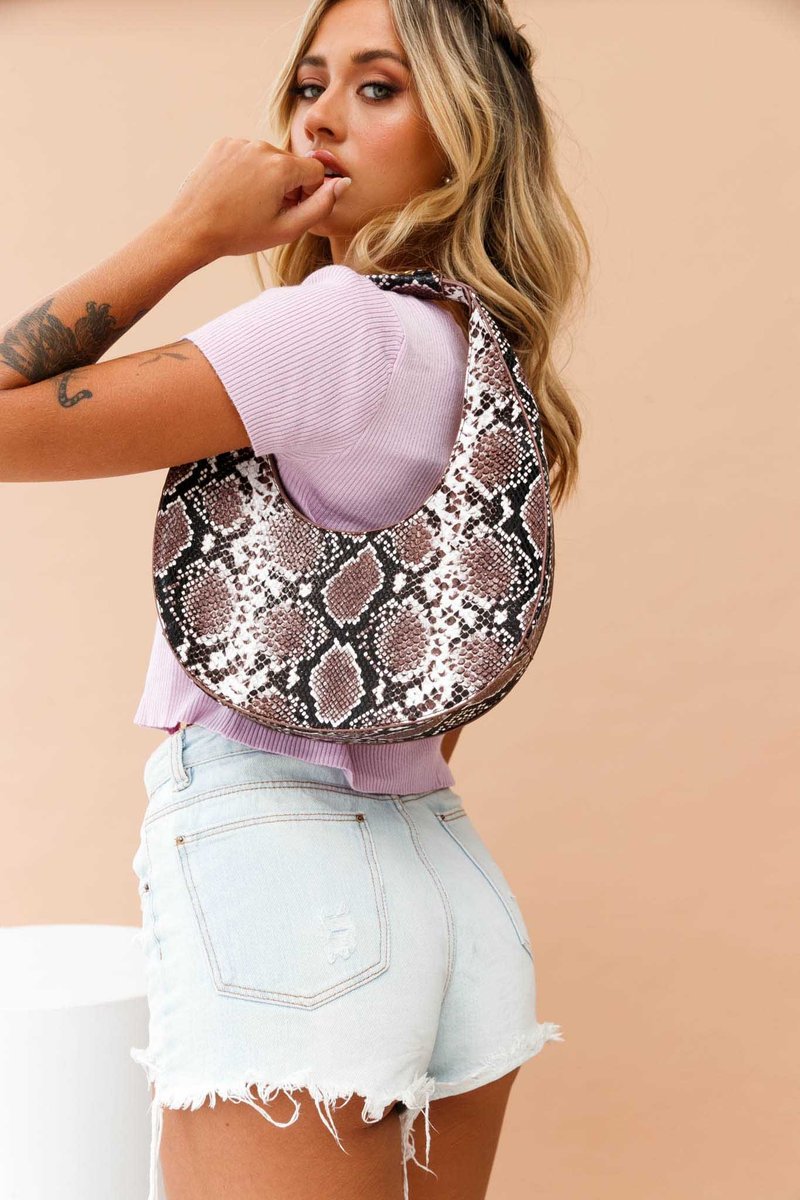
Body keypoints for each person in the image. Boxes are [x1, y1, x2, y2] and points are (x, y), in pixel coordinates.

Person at [0, 0, 590, 1195]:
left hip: (290, 883)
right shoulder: (487, 358)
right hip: (445, 876)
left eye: (377, 87)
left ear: (465, 130)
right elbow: (444, 666)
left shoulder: (337, 327)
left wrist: (187, 232)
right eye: (309, 84)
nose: (319, 118)